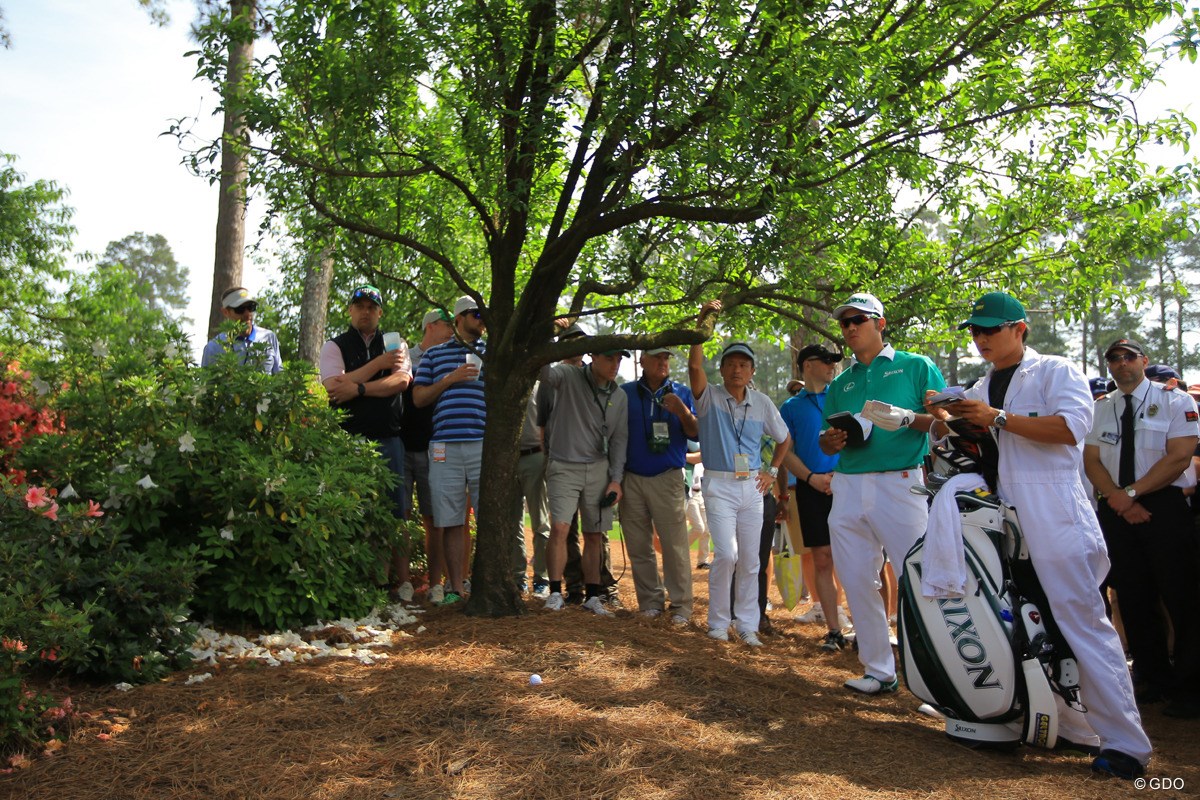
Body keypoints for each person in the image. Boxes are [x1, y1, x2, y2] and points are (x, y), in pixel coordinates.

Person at [930, 293, 1153, 780]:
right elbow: (987, 444)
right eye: (975, 330)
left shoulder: (1056, 370)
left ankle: (1126, 743)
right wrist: (943, 419)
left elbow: (1073, 428)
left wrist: (998, 418)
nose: (981, 338)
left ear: (1020, 328)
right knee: (1030, 622)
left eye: (991, 329)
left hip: (1056, 513)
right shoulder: (984, 383)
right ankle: (1070, 725)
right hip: (1009, 515)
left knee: (1082, 623)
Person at [819, 292, 945, 693]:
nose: (851, 327)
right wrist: (832, 440)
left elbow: (945, 425)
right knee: (856, 579)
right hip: (849, 485)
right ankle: (878, 670)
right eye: (845, 322)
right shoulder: (842, 382)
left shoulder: (916, 366)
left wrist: (906, 418)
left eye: (859, 319)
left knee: (922, 579)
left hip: (901, 483)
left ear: (881, 323)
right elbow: (824, 442)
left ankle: (940, 680)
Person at [1083, 337, 1200, 721]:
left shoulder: (1175, 401)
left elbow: (1180, 456)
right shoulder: (1103, 407)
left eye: (1128, 357)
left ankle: (1190, 687)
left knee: (1181, 596)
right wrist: (1118, 497)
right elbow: (1093, 459)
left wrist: (1130, 494)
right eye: (1113, 359)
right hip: (1117, 508)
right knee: (1133, 596)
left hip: (1163, 506)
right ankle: (1153, 680)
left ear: (1144, 361)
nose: (1120, 364)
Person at [689, 301, 792, 647]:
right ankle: (718, 623)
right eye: (731, 364)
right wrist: (702, 326)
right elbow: (693, 366)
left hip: (753, 488)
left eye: (743, 365)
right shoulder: (710, 398)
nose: (737, 370)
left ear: (751, 372)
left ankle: (747, 624)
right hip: (718, 485)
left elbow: (784, 438)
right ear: (722, 369)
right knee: (727, 555)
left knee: (751, 560)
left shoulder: (762, 402)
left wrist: (772, 471)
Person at [318, 283, 413, 598]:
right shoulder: (334, 345)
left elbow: (400, 382)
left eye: (372, 306)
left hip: (390, 439)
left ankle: (396, 584)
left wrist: (357, 387)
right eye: (359, 305)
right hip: (348, 443)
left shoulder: (396, 343)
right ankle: (358, 583)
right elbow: (333, 387)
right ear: (350, 310)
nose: (365, 311)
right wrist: (377, 366)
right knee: (351, 512)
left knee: (394, 514)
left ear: (380, 312)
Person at [540, 332, 630, 616]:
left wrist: (616, 479)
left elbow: (618, 441)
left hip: (599, 469)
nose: (615, 364)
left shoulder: (619, 395)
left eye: (619, 358)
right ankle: (555, 592)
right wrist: (553, 335)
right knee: (560, 528)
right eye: (609, 358)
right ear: (591, 356)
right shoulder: (568, 375)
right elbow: (541, 370)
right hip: (564, 464)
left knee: (595, 533)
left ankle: (593, 595)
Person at [412, 295, 487, 607]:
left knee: (488, 517)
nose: (482, 319)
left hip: (483, 443)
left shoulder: (491, 351)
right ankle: (455, 589)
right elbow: (418, 398)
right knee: (451, 519)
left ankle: (485, 585)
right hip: (443, 445)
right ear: (459, 319)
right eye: (475, 314)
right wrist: (450, 379)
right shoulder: (434, 356)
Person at [620, 347, 699, 626]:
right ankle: (650, 601)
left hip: (668, 477)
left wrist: (682, 411)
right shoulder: (626, 393)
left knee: (674, 545)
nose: (663, 362)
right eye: (657, 357)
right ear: (643, 360)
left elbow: (695, 432)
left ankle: (681, 607)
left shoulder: (681, 392)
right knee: (639, 544)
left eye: (666, 358)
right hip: (631, 477)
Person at [779, 343, 847, 651]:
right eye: (827, 360)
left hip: (850, 485)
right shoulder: (791, 407)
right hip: (811, 489)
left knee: (858, 559)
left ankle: (866, 629)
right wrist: (811, 478)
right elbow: (785, 452)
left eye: (835, 361)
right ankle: (834, 630)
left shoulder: (845, 395)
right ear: (807, 365)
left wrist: (839, 477)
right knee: (822, 558)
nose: (833, 365)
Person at [402, 308, 454, 603]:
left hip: (436, 447)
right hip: (403, 443)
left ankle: (436, 584)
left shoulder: (452, 357)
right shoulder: (404, 356)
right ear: (431, 326)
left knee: (434, 518)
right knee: (402, 516)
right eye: (448, 324)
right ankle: (404, 583)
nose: (451, 330)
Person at [200, 287, 283, 374]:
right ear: (225, 312)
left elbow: (279, 375)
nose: (247, 314)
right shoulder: (213, 348)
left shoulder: (268, 337)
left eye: (251, 308)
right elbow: (207, 384)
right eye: (240, 309)